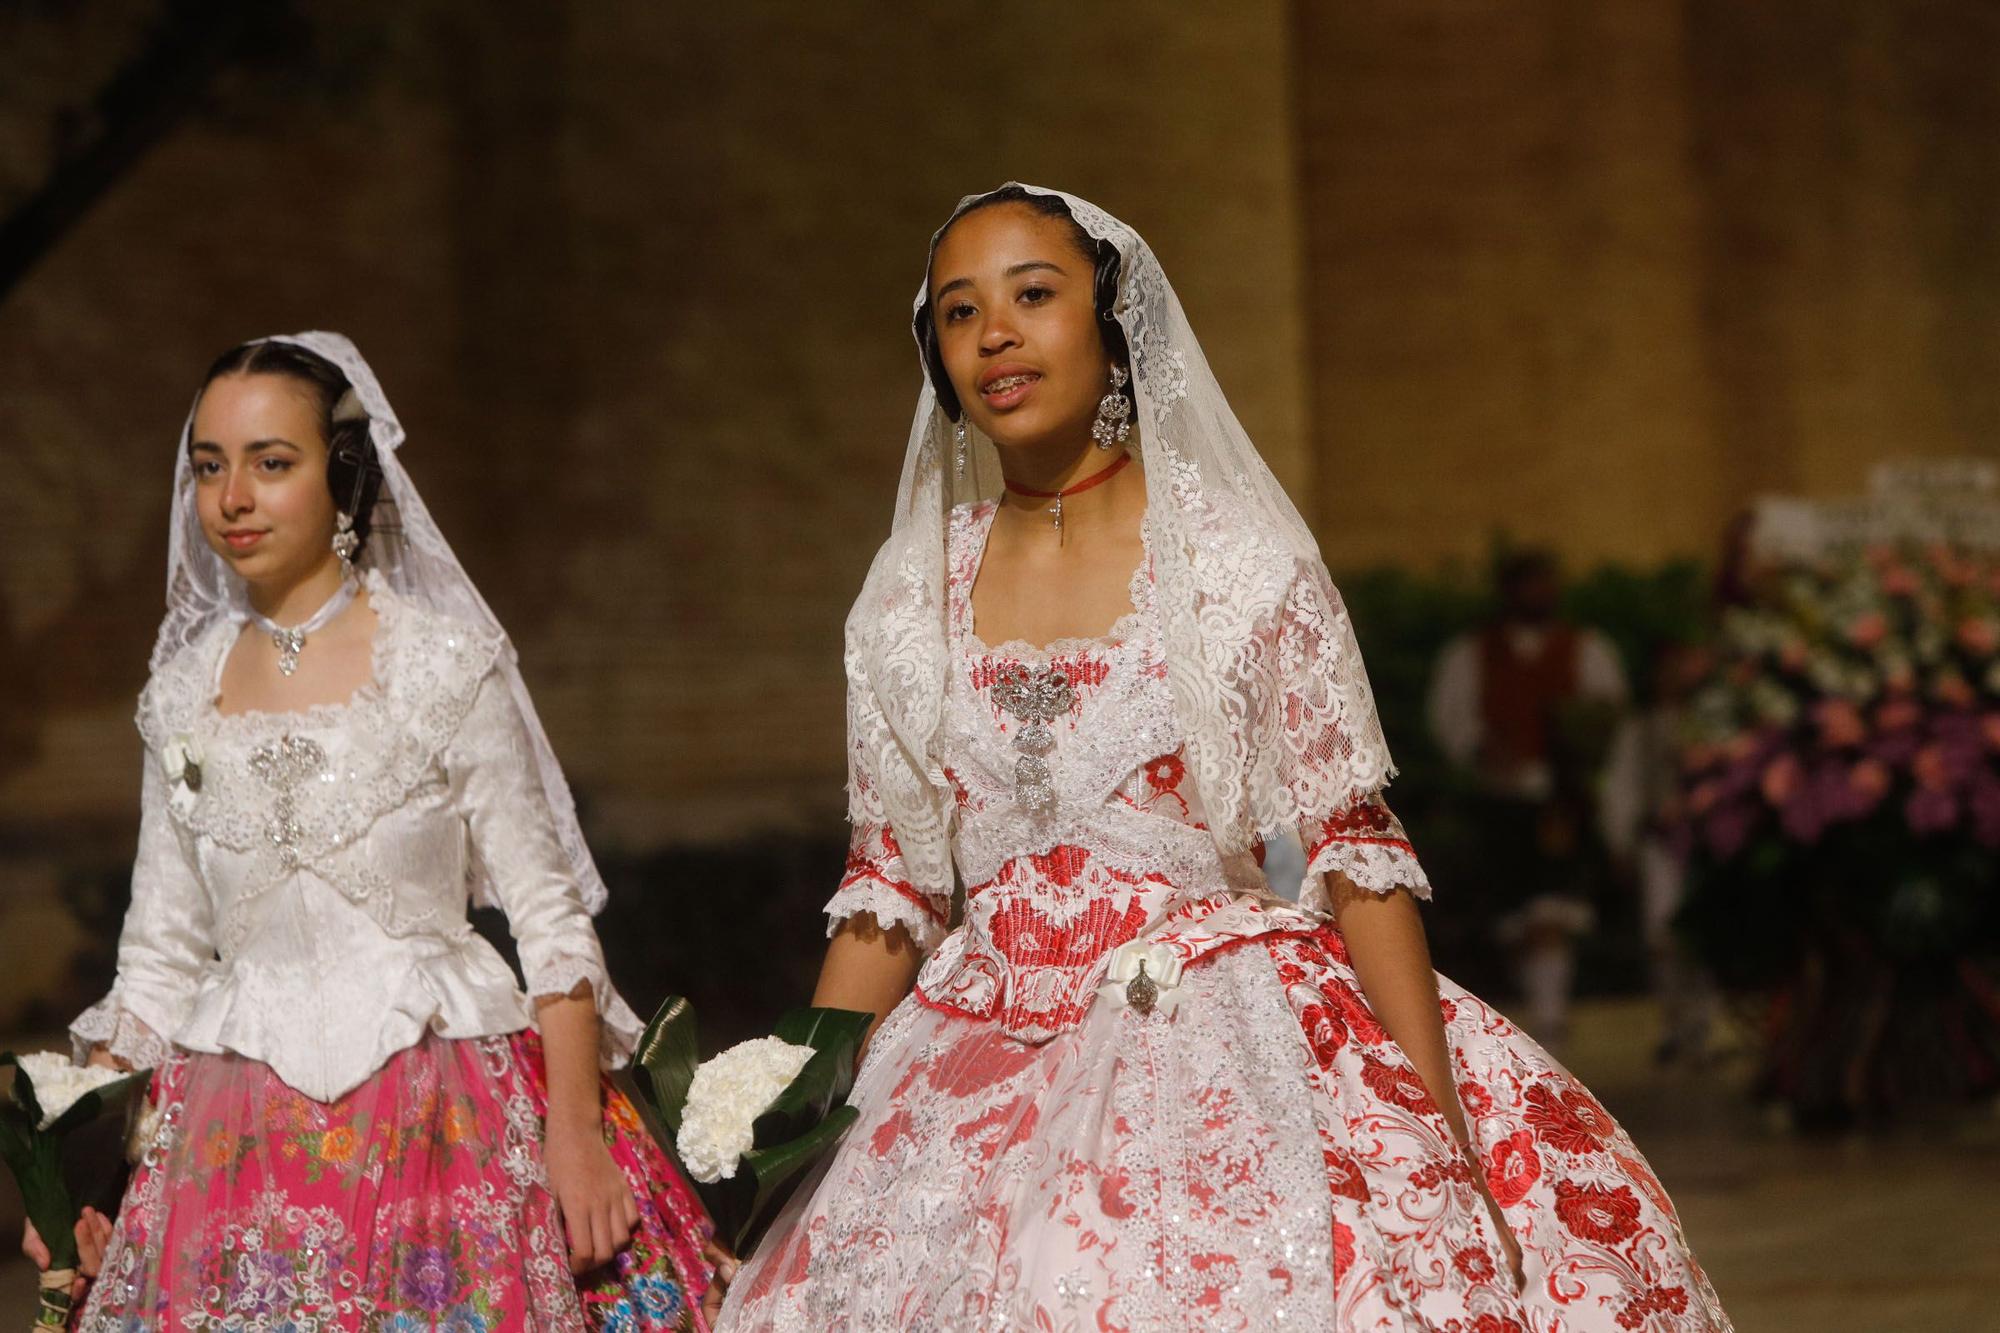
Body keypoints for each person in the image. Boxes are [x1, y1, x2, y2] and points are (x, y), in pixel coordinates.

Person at [718, 186, 1729, 1330]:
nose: (993, 333)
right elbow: (889, 886)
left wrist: (1442, 1147)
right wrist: (786, 1115)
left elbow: (1354, 852)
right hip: (964, 1061)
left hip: (1211, 1040)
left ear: (1111, 322)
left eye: (1033, 295)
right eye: (958, 312)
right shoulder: (904, 598)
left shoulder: (1238, 560)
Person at [23, 334, 719, 1331]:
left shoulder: (440, 662)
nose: (233, 498)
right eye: (210, 467)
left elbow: (549, 914)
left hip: (450, 1119)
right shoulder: (179, 701)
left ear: (342, 476)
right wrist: (72, 1171)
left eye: (272, 462)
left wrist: (573, 1134)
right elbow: (157, 958)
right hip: (231, 1148)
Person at [1426, 551, 1630, 1049]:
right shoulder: (1472, 653)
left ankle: (1551, 1016)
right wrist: (1481, 749)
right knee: (1516, 914)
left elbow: (1609, 716)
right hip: (1502, 803)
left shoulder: (1586, 649)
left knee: (1554, 906)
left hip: (1563, 800)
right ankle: (1539, 1011)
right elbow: (1449, 719)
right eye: (1530, 584)